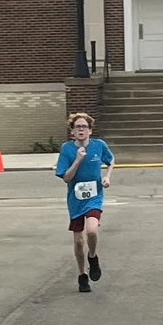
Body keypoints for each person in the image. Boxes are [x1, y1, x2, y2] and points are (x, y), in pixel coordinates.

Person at [55, 111, 113, 293]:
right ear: (72, 132)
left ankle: (93, 257)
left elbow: (111, 160)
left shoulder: (99, 146)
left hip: (95, 197)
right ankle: (82, 275)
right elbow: (66, 177)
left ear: (90, 130)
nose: (81, 129)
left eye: (84, 127)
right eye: (77, 127)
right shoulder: (67, 149)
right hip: (76, 200)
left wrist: (107, 177)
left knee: (92, 230)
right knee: (79, 241)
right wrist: (78, 160)